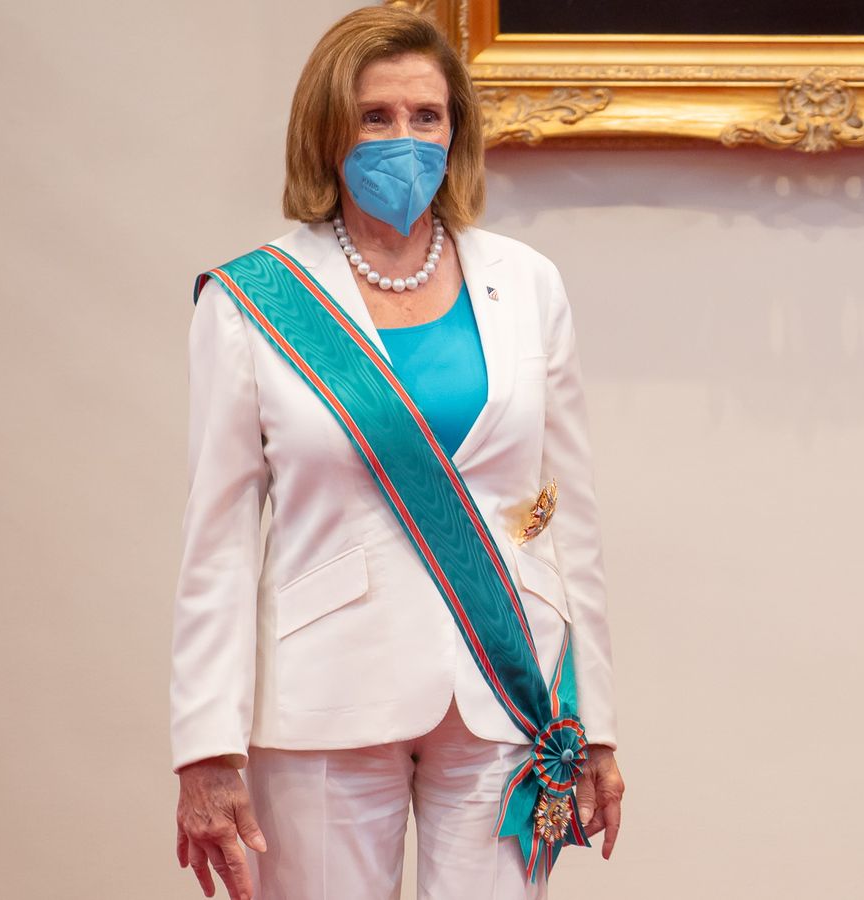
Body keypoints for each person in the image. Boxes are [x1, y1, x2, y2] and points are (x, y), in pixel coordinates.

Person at [170, 9, 623, 899]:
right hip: (325, 697)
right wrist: (206, 748)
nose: (404, 138)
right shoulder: (250, 301)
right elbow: (216, 544)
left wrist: (597, 720)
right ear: (327, 130)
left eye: (427, 116)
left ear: (457, 131)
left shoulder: (527, 283)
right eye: (375, 117)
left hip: (507, 688)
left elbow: (566, 516)